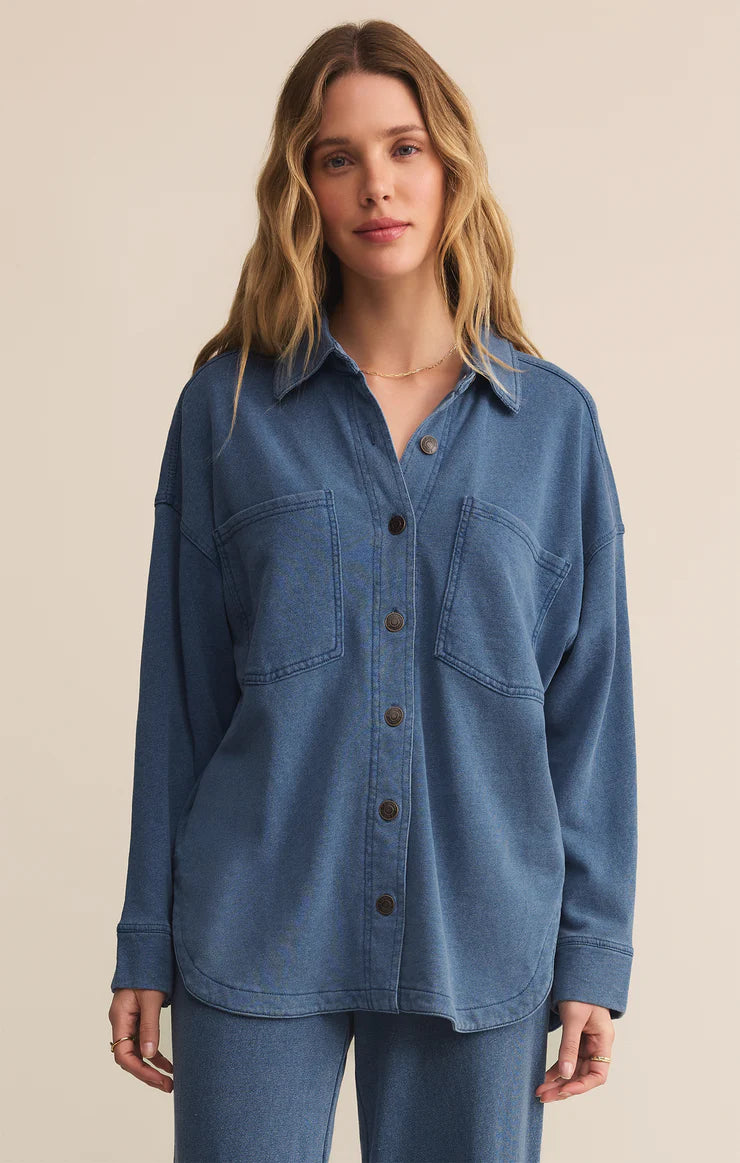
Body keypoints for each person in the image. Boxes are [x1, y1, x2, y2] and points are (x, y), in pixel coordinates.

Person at [108, 19, 638, 1163]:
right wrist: (145, 936)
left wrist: (594, 950)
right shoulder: (228, 411)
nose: (375, 185)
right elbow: (180, 694)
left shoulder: (553, 428)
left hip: (482, 933)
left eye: (402, 148)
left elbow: (587, 706)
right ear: (301, 185)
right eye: (336, 155)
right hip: (256, 918)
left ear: (449, 165)